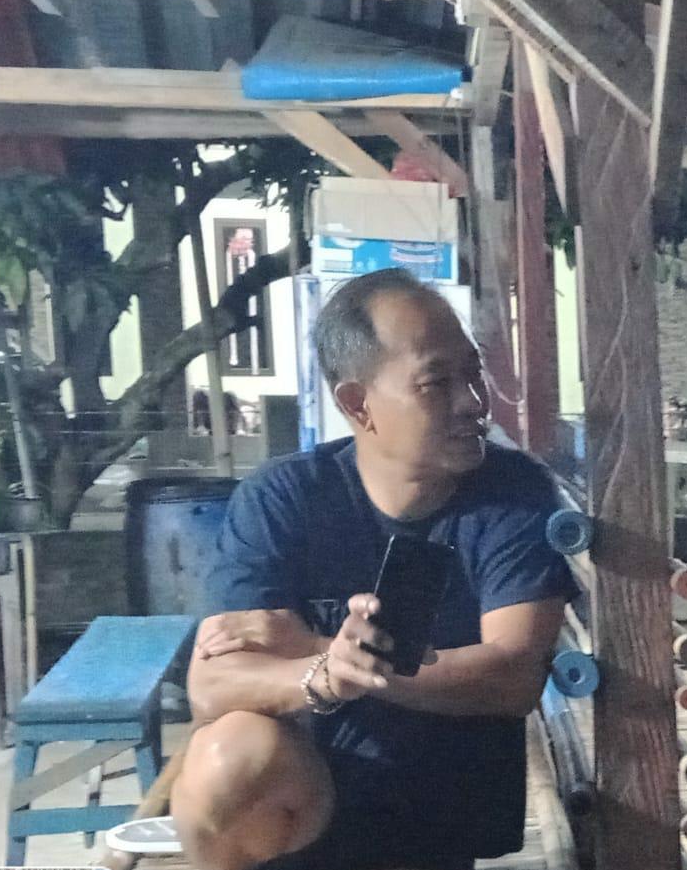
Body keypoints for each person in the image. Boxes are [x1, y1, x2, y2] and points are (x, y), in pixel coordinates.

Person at [168, 268, 576, 870]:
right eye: (436, 383)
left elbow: (514, 677)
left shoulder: (512, 494)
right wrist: (325, 676)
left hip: (439, 810)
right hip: (304, 803)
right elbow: (212, 686)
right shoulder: (285, 497)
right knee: (226, 758)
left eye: (473, 374)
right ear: (358, 404)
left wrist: (321, 652)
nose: (473, 402)